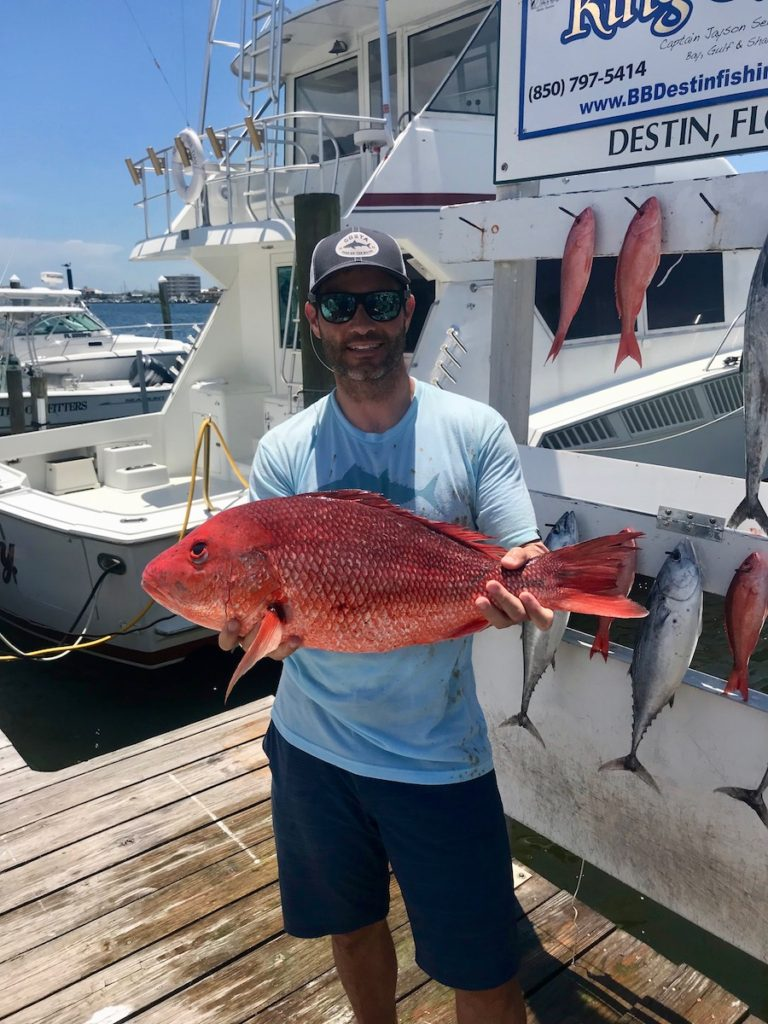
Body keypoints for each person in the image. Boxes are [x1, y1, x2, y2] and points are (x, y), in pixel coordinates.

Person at [220, 226, 552, 1024]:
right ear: (314, 318)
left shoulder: (472, 431)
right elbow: (272, 605)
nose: (360, 321)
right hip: (312, 752)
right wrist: (243, 625)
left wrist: (534, 577)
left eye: (378, 302)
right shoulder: (282, 450)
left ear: (407, 311)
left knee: (484, 971)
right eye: (341, 303)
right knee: (352, 927)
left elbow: (520, 550)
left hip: (439, 759)